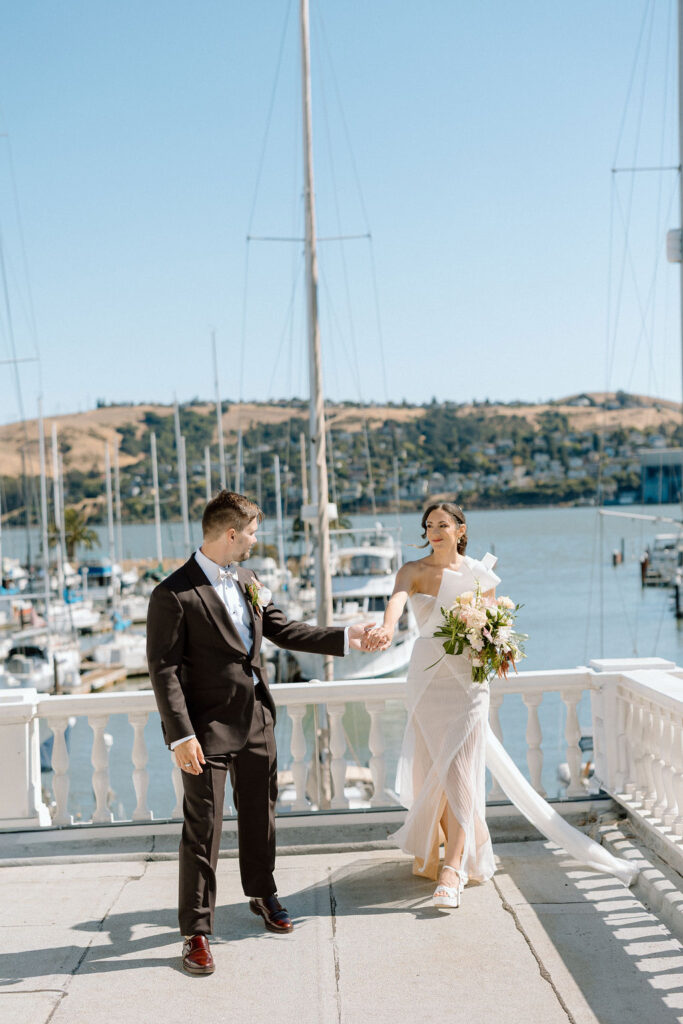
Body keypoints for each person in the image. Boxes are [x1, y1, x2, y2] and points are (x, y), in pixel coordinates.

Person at [363, 501, 637, 909]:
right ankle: (442, 854)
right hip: (426, 682)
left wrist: (492, 643)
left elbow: (492, 630)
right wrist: (385, 629)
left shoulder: (480, 574)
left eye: (443, 524)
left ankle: (452, 870)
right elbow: (396, 605)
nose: (435, 531)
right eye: (429, 525)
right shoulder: (412, 571)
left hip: (468, 684)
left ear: (461, 529)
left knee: (459, 773)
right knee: (433, 771)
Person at [147, 490, 370, 974]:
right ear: (231, 533)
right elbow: (162, 671)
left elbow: (284, 630)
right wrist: (180, 735)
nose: (254, 540)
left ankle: (262, 893)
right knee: (202, 830)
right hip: (203, 731)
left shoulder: (248, 579)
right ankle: (197, 932)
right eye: (251, 532)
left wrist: (348, 636)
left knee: (259, 817)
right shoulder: (172, 594)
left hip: (256, 721)